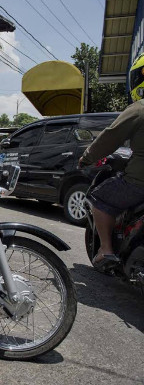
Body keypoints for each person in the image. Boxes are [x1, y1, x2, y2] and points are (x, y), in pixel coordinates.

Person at [79, 53, 144, 269]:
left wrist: (86, 158)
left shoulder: (139, 108)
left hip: (139, 182)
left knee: (101, 200)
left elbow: (110, 138)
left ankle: (106, 250)